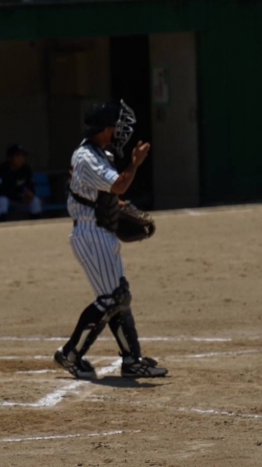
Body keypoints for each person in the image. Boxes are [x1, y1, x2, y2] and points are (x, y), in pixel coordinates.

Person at [54, 101, 168, 379]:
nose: (118, 130)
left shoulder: (98, 153)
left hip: (99, 231)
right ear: (104, 129)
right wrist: (135, 163)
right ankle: (70, 353)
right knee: (112, 298)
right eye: (115, 126)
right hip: (91, 234)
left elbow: (104, 195)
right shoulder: (87, 157)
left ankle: (132, 360)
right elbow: (119, 185)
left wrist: (119, 208)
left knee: (119, 296)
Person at [0, 144, 42, 220]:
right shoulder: (2, 169)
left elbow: (31, 185)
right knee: (3, 200)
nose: (21, 158)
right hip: (8, 200)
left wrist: (30, 194)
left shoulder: (26, 169)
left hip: (20, 200)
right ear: (10, 158)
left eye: (23, 156)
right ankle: (1, 224)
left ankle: (37, 224)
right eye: (18, 156)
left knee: (35, 201)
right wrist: (19, 198)